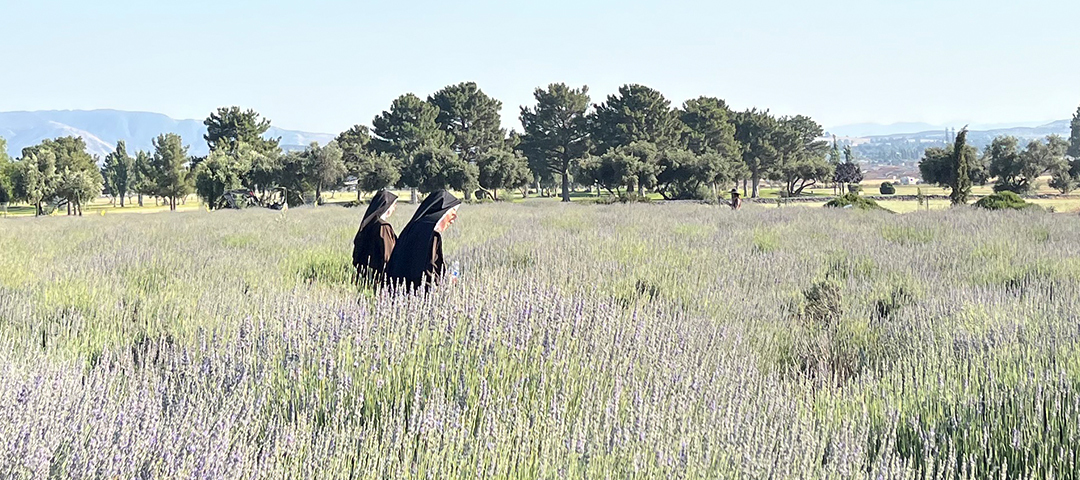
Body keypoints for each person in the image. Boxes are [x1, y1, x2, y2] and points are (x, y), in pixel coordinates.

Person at [385, 190, 461, 290]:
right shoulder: (431, 235)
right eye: (453, 212)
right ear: (442, 212)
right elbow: (428, 271)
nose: (454, 218)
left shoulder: (415, 227)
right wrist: (446, 283)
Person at [352, 190, 398, 284]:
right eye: (393, 205)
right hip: (380, 279)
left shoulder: (368, 224)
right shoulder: (383, 227)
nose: (394, 209)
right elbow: (387, 256)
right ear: (387, 207)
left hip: (365, 277)